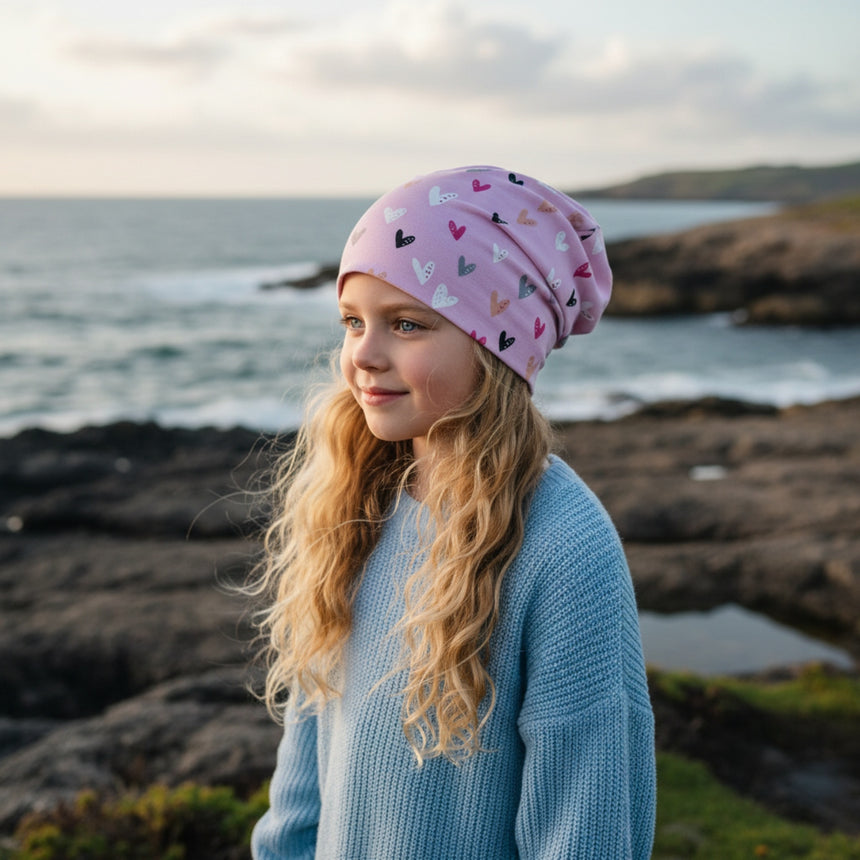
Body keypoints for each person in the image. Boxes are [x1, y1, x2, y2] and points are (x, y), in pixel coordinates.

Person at [250, 165, 656, 859]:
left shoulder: (562, 547)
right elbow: (303, 783)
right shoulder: (354, 504)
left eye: (407, 324)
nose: (363, 356)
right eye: (353, 322)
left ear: (496, 344)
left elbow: (584, 833)